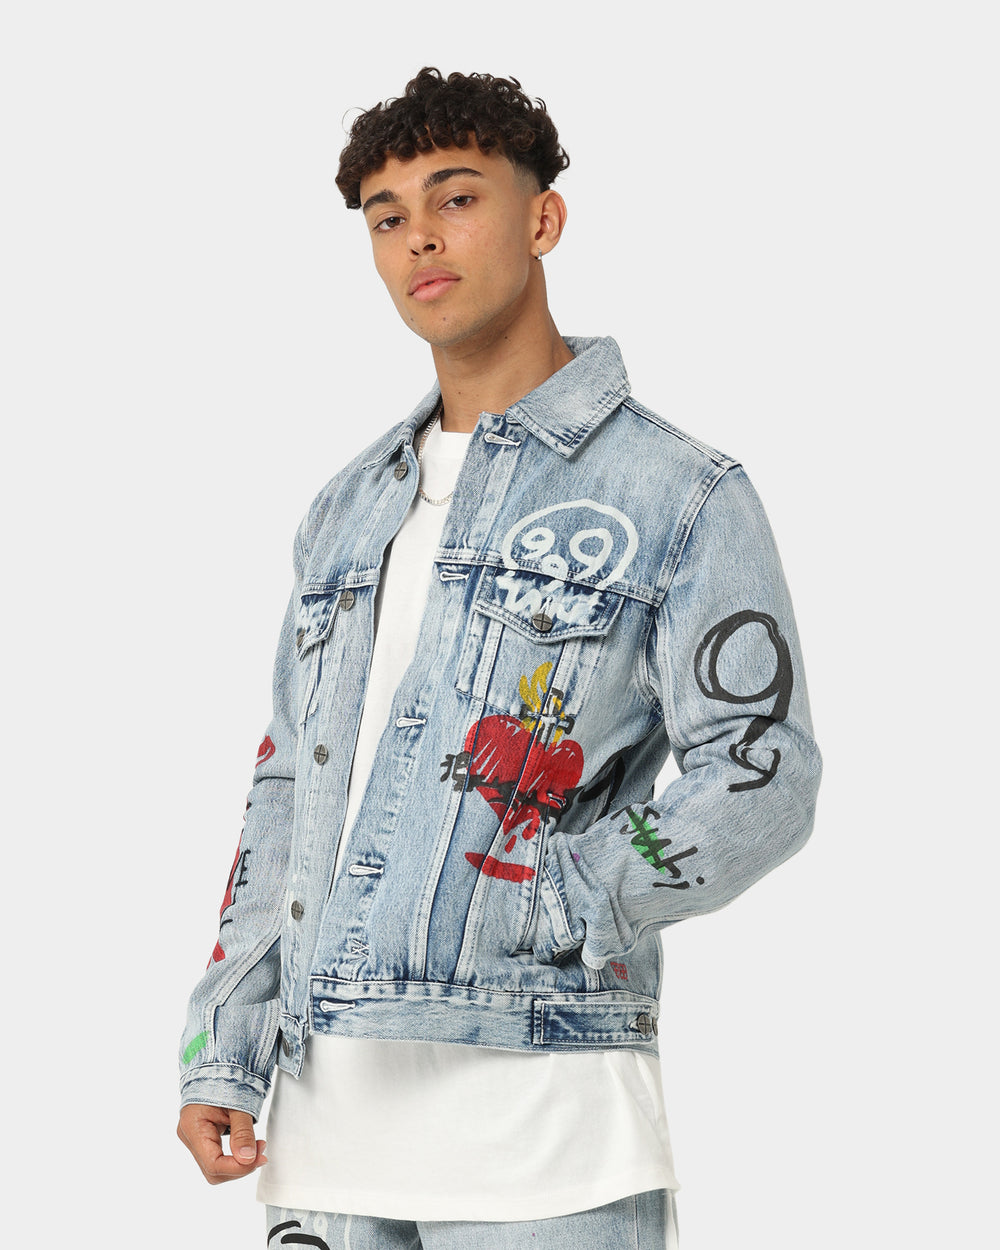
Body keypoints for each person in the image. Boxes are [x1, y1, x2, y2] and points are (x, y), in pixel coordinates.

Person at [177, 67, 821, 1249]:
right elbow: (289, 785)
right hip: (322, 1143)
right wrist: (226, 1036)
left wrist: (566, 892)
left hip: (549, 1136)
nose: (419, 236)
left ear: (542, 218)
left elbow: (761, 771)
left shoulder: (680, 492)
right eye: (386, 216)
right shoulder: (347, 508)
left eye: (457, 197)